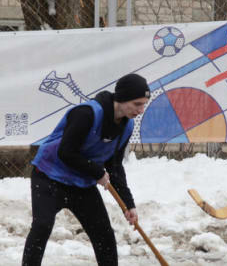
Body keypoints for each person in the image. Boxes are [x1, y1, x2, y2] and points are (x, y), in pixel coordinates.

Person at [22, 73, 150, 266]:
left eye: (144, 104)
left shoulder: (127, 126)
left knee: (104, 234)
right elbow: (66, 152)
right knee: (42, 226)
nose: (141, 110)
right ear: (122, 98)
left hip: (81, 183)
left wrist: (128, 203)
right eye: (137, 104)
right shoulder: (87, 113)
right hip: (49, 176)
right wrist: (97, 172)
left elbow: (114, 167)